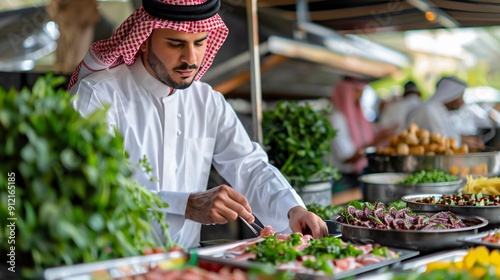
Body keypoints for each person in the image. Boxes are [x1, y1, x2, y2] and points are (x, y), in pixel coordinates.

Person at [68, 0, 328, 248]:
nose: (190, 58)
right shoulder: (98, 96)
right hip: (113, 264)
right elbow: (90, 189)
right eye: (175, 43)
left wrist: (292, 210)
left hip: (186, 265)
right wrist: (186, 205)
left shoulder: (207, 101)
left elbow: (248, 166)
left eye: (200, 43)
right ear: (144, 40)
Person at [329, 77, 396, 190]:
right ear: (345, 94)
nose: (359, 96)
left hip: (358, 175)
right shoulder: (336, 118)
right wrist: (377, 141)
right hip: (342, 179)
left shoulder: (358, 116)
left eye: (361, 92)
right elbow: (348, 158)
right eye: (356, 91)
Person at [407, 75, 485, 151]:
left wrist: (464, 139)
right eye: (460, 96)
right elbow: (438, 139)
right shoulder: (429, 110)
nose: (462, 101)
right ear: (452, 94)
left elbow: (446, 134)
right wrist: (463, 142)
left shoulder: (440, 110)